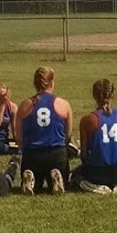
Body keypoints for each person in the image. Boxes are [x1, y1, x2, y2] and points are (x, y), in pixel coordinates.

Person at [15, 66, 73, 195]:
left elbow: (18, 136)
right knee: (64, 183)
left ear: (35, 84)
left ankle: (31, 178)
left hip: (32, 154)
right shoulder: (63, 104)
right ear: (52, 82)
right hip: (56, 153)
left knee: (38, 186)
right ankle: (57, 176)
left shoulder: (25, 105)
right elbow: (67, 135)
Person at [75, 79, 117, 195]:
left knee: (75, 176)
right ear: (112, 94)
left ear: (94, 95)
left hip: (96, 171)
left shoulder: (87, 119)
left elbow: (84, 153)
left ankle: (95, 187)